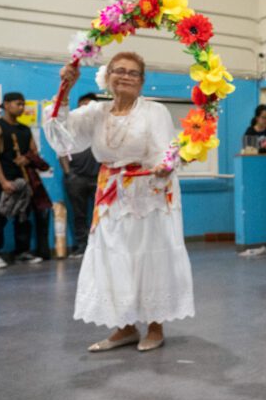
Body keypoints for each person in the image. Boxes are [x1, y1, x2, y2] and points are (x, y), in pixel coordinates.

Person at [45, 52, 194, 352]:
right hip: (111, 196)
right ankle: (125, 327)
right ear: (107, 76)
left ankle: (155, 326)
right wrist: (66, 90)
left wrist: (166, 167)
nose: (125, 76)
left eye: (133, 73)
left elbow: (170, 150)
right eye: (119, 70)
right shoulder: (96, 112)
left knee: (149, 256)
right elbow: (62, 136)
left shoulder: (154, 112)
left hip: (148, 195)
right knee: (114, 258)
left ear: (141, 81)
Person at [0, 91, 44, 268]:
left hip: (23, 181)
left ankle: (22, 252)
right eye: (18, 103)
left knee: (23, 218)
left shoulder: (25, 129)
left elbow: (34, 152)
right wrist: (2, 181)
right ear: (6, 104)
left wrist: (28, 158)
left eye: (23, 104)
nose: (22, 107)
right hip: (3, 181)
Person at [60, 93, 101, 259]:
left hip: (99, 177)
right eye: (82, 106)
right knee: (80, 214)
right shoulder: (70, 126)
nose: (86, 110)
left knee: (101, 214)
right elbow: (61, 150)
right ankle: (82, 246)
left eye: (89, 106)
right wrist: (69, 173)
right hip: (76, 177)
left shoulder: (102, 127)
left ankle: (99, 246)